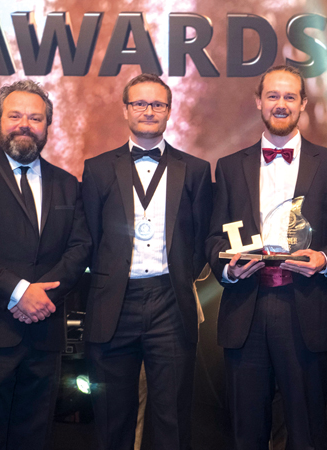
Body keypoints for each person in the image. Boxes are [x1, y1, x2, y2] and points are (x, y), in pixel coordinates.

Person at [206, 64, 327, 450]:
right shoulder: (229, 167)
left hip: (307, 311)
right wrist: (227, 269)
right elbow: (213, 238)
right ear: (258, 101)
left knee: (309, 433)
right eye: (273, 96)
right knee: (248, 432)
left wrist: (324, 259)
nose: (281, 104)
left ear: (303, 103)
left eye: (290, 96)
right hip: (247, 310)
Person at [82, 73, 212, 450]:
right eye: (139, 103)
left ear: (169, 111)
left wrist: (182, 274)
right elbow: (89, 237)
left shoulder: (197, 170)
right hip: (113, 303)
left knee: (172, 417)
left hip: (170, 301)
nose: (148, 111)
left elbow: (202, 238)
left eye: (157, 104)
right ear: (125, 110)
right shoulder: (98, 168)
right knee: (112, 417)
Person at [0, 80, 91, 450]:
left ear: (48, 125)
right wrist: (20, 293)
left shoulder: (68, 184)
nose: (24, 124)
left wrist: (41, 297)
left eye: (35, 117)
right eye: (15, 115)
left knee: (33, 439)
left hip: (43, 338)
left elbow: (80, 248)